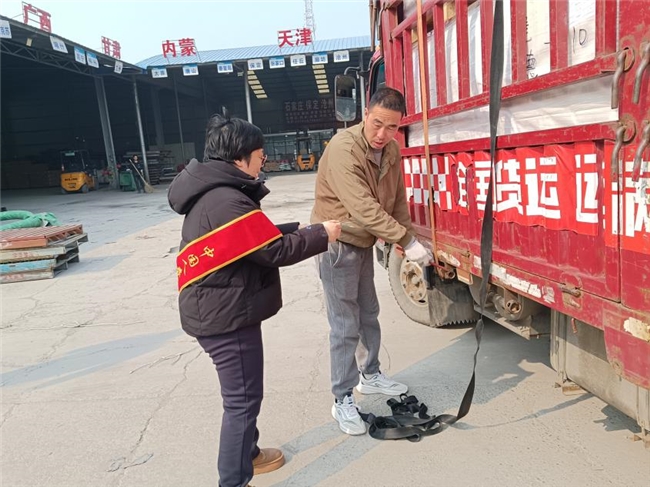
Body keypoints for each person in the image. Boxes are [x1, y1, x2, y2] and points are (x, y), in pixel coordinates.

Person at [168, 114, 341, 487]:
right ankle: (234, 480)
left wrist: (301, 228)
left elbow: (249, 239)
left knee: (243, 395)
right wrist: (322, 235)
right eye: (260, 157)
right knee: (242, 401)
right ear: (239, 157)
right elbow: (272, 251)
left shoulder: (216, 192)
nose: (263, 163)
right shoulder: (226, 200)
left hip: (220, 305)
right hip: (224, 315)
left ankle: (249, 453)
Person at [311, 87, 433, 436]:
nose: (382, 134)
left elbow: (397, 199)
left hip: (364, 242)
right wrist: (405, 240)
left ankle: (371, 374)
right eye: (377, 123)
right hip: (336, 244)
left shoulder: (390, 150)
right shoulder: (344, 148)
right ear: (365, 114)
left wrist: (405, 237)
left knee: (368, 312)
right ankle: (342, 398)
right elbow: (363, 207)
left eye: (391, 127)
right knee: (344, 325)